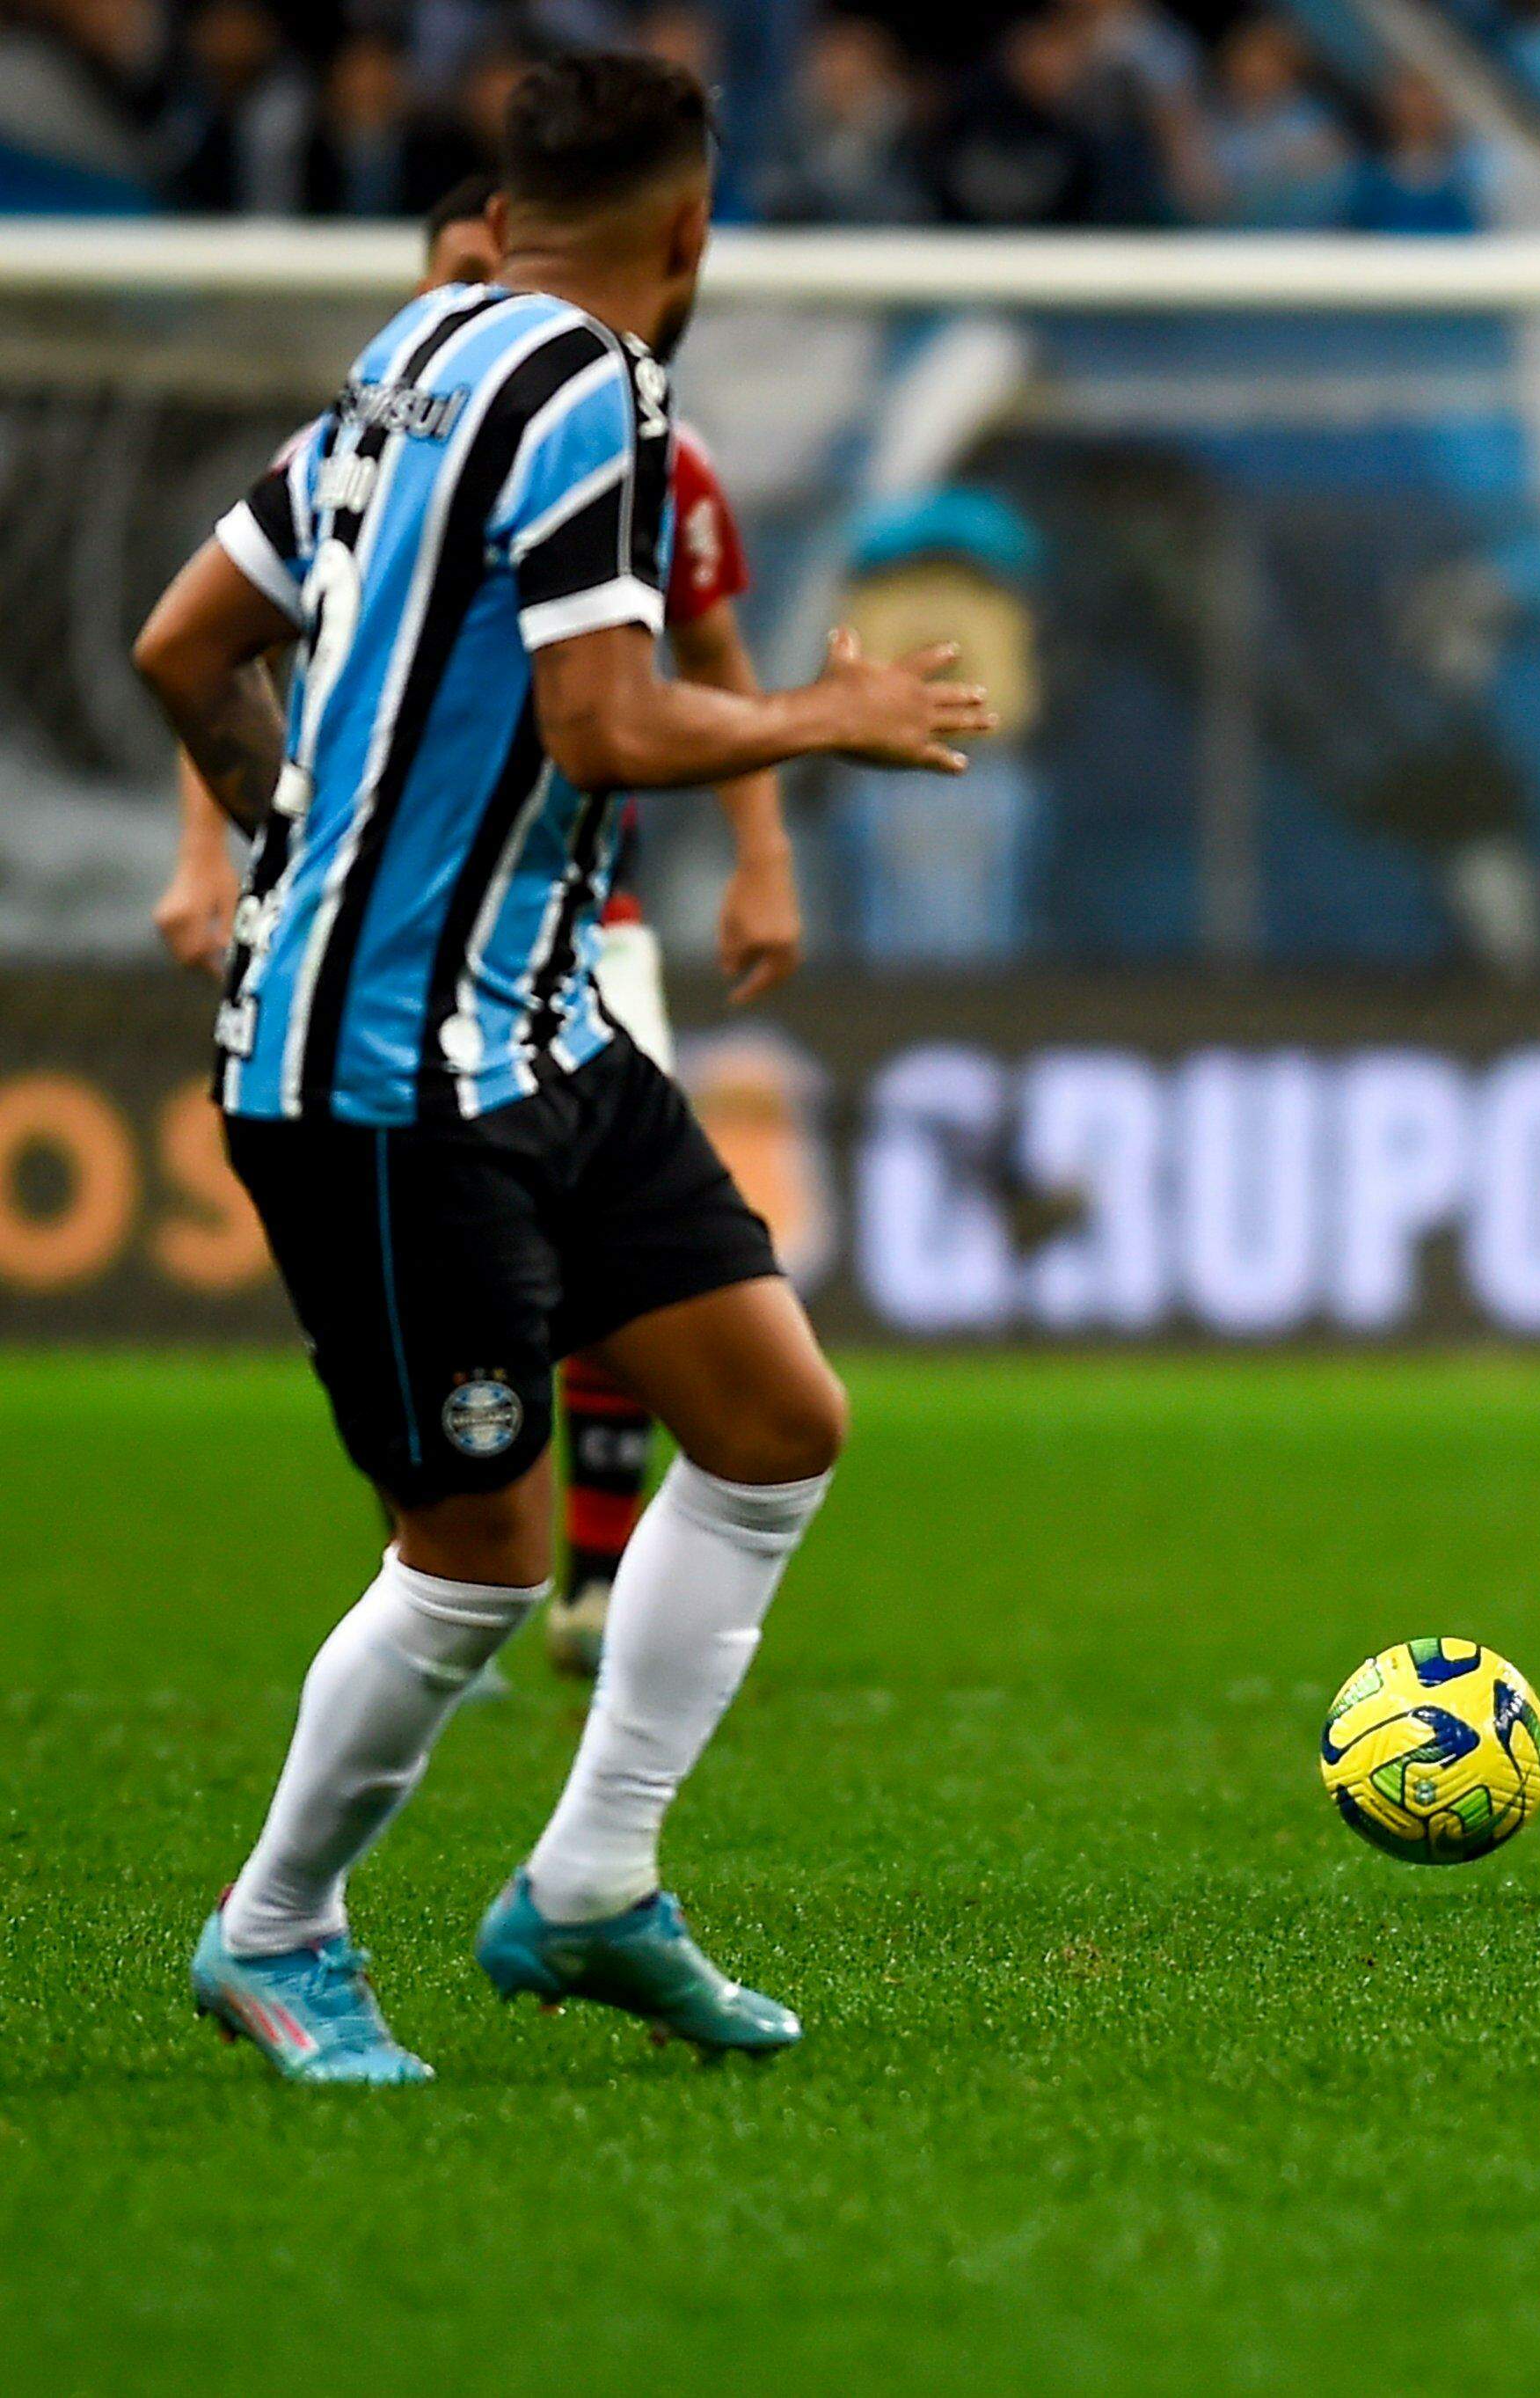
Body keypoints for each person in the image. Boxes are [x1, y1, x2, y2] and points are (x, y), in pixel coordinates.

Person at [130, 52, 989, 2085]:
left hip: (540, 1026)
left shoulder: (408, 349)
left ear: (505, 210)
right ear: (691, 237)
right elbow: (606, 726)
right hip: (381, 1074)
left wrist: (286, 851)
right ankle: (273, 1936)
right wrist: (815, 717)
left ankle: (592, 1887)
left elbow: (185, 642)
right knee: (479, 1560)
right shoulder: (594, 396)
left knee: (773, 1417)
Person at [154, 171, 806, 1685]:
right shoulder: (374, 440)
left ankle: (583, 1571)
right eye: (463, 269)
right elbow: (226, 653)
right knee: (471, 1314)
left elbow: (706, 646)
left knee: (643, 1277)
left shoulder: (650, 453)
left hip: (584, 936)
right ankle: (460, 1555)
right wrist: (233, 851)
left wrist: (764, 849)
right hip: (387, 976)